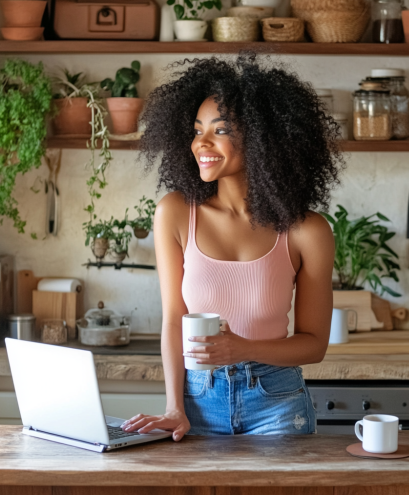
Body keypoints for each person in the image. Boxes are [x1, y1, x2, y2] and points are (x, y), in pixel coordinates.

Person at [121, 53, 342, 440]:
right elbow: (174, 320)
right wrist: (174, 406)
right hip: (199, 400)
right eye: (196, 129)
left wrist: (241, 348)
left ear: (262, 137)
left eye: (219, 130)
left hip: (277, 402)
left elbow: (314, 345)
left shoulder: (307, 231)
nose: (200, 142)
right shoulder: (175, 213)